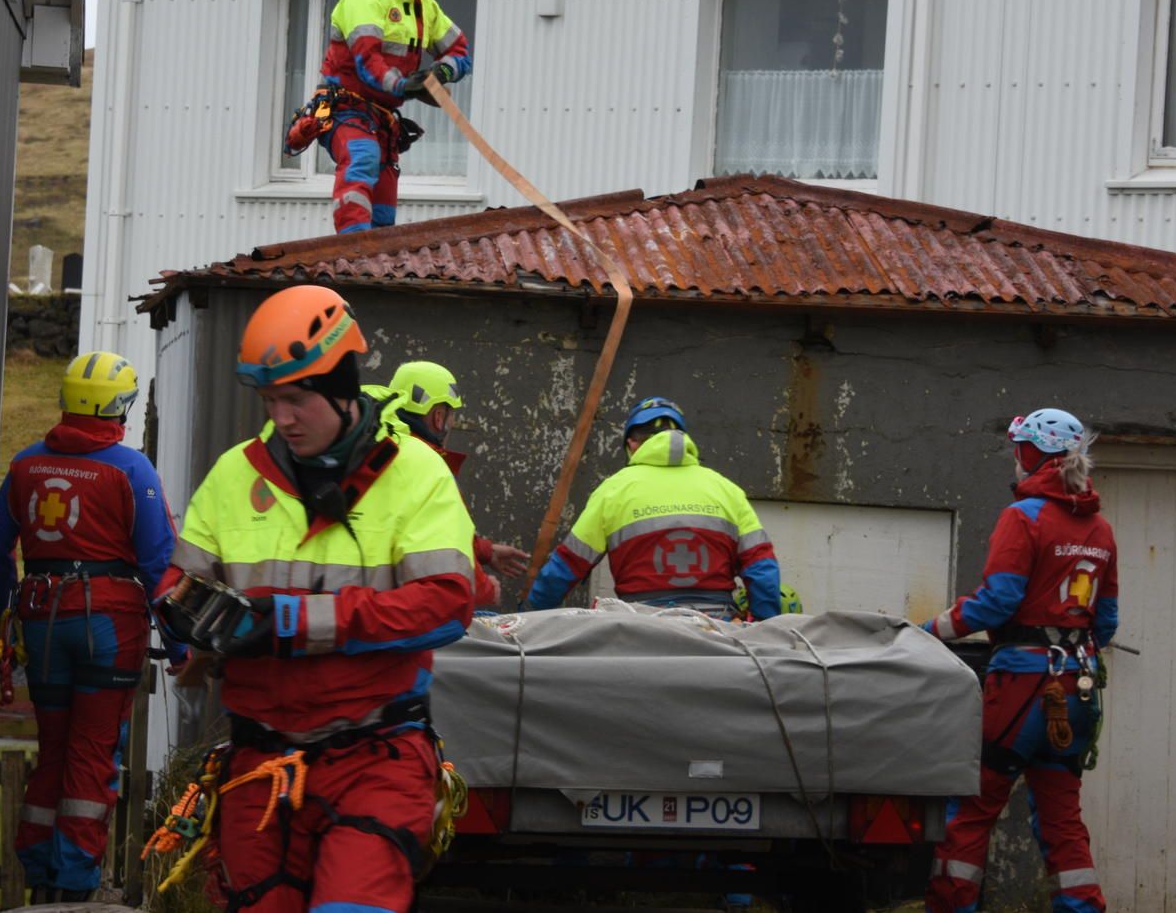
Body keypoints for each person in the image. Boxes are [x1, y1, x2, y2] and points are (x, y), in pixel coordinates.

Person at [159, 284, 477, 912]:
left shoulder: (415, 473)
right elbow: (177, 587)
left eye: (297, 398)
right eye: (271, 400)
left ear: (343, 388)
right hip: (259, 767)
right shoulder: (235, 475)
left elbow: (446, 605)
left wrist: (290, 621)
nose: (282, 418)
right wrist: (195, 618)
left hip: (375, 760)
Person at [0, 351, 184, 902]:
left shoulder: (25, 464)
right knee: (92, 754)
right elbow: (159, 561)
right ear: (118, 405)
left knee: (56, 749)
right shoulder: (131, 470)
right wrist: (182, 644)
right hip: (108, 629)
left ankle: (39, 871)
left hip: (41, 624)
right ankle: (73, 888)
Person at [921, 408, 1118, 913]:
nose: (1015, 458)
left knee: (971, 810)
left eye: (1019, 448)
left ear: (1033, 454)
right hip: (1076, 692)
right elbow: (1107, 623)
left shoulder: (1023, 517)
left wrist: (927, 632)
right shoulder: (1100, 529)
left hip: (1021, 689)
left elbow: (996, 603)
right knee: (1062, 820)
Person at [285, 0, 472, 235]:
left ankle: (376, 262)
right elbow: (367, 59)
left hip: (384, 118)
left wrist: (441, 73)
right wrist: (404, 86)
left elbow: (460, 50)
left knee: (384, 195)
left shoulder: (421, 2)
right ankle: (351, 250)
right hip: (346, 108)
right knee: (362, 159)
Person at [520, 396, 781, 618]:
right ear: (683, 437)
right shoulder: (726, 489)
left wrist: (531, 613)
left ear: (631, 444)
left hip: (640, 626)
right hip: (715, 627)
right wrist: (764, 625)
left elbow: (566, 566)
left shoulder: (613, 490)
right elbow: (762, 568)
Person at [365, 360, 530, 607]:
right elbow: (450, 557)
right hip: (407, 609)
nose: (451, 423)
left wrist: (485, 551)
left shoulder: (379, 451)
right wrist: (486, 590)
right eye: (451, 414)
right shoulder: (428, 467)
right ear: (438, 416)